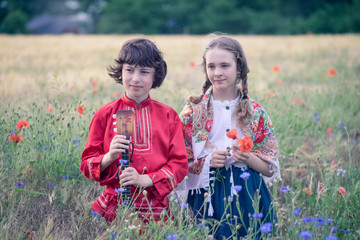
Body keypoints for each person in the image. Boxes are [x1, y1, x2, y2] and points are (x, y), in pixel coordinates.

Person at [179, 35, 281, 239]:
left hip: (248, 192)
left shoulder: (256, 112)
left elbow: (270, 168)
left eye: (225, 66)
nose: (217, 73)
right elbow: (179, 163)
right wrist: (207, 161)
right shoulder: (192, 111)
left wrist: (248, 158)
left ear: (239, 68)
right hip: (206, 194)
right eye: (211, 66)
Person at [80, 38, 188, 224]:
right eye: (129, 70)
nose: (136, 78)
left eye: (144, 72)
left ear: (155, 76)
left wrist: (146, 179)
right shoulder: (105, 114)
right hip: (113, 207)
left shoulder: (168, 116)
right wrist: (109, 156)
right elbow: (86, 166)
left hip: (155, 209)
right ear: (121, 72)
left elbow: (179, 165)